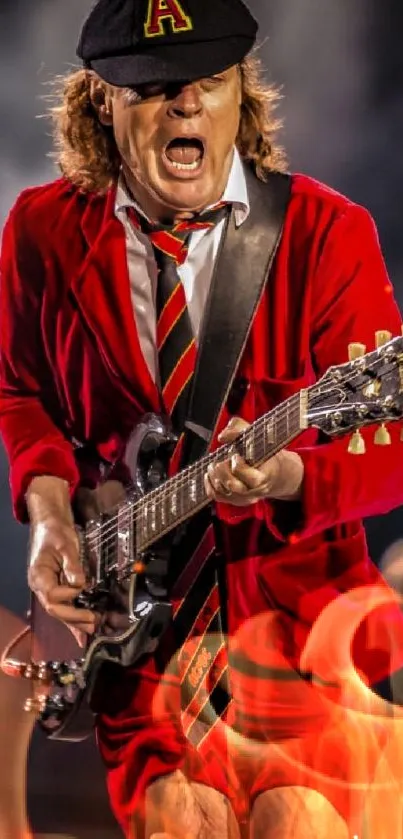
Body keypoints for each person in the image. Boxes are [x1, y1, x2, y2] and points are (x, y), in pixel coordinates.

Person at [1, 0, 403, 837]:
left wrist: (288, 474)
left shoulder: (328, 234)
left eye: (208, 82)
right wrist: (47, 515)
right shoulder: (41, 230)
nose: (185, 104)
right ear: (100, 103)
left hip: (297, 628)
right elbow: (21, 393)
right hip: (140, 642)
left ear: (237, 99)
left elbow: (390, 451)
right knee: (181, 820)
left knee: (296, 821)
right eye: (153, 87)